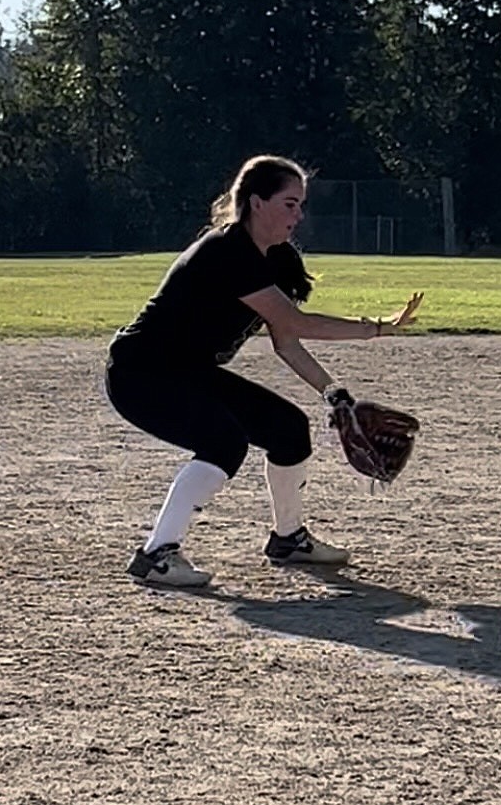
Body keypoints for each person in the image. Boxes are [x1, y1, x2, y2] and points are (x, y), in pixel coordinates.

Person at [104, 154, 424, 589]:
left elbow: (285, 341)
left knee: (288, 429)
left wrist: (334, 393)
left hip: (187, 372)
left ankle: (288, 539)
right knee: (223, 441)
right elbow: (298, 324)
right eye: (289, 203)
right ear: (257, 202)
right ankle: (156, 555)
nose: (299, 214)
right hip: (141, 373)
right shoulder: (227, 250)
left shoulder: (273, 259)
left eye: (301, 204)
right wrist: (380, 328)